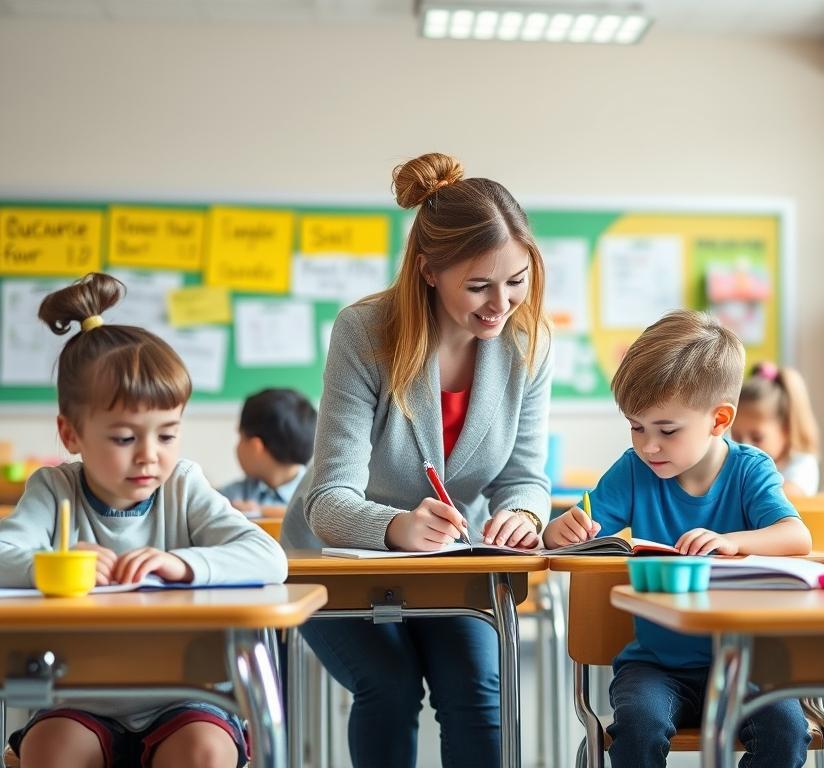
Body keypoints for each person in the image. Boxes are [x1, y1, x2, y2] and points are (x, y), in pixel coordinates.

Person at [280, 152, 552, 768]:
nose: (500, 304)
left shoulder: (528, 343)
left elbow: (525, 477)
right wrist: (395, 528)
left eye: (516, 280)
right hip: (338, 560)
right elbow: (328, 501)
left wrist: (522, 516)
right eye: (478, 286)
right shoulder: (366, 332)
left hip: (453, 559)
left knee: (476, 691)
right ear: (429, 271)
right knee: (390, 685)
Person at [1, 272, 287, 768]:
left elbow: (269, 557)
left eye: (167, 435)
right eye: (124, 438)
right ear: (71, 434)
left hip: (184, 697)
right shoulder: (54, 490)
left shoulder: (184, 486)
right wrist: (54, 565)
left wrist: (181, 564)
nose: (149, 457)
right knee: (50, 751)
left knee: (203, 752)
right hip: (79, 695)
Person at [544, 310, 813, 767]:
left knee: (785, 730)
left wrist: (735, 542)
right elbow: (571, 535)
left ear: (719, 420)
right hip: (655, 665)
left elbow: (796, 536)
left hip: (744, 662)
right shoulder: (633, 471)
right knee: (637, 726)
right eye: (636, 426)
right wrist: (558, 531)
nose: (648, 445)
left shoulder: (750, 470)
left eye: (667, 430)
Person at [217, 387, 315, 515]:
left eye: (240, 437)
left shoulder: (318, 497)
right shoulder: (230, 498)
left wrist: (261, 512)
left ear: (255, 447)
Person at [733, 361, 822, 496]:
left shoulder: (803, 466)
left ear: (787, 429)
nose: (745, 447)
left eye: (757, 438)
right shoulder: (737, 459)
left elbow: (774, 500)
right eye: (737, 437)